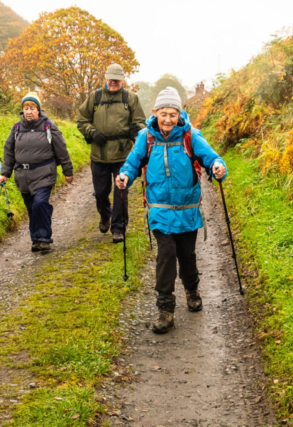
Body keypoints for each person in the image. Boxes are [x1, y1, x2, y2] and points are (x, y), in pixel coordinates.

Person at [116, 87, 227, 334]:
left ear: (180, 115)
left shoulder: (191, 136)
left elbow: (212, 158)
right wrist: (124, 175)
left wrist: (218, 167)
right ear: (155, 113)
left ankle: (191, 288)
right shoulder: (147, 137)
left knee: (187, 255)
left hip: (187, 209)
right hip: (159, 209)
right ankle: (165, 309)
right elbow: (132, 163)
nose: (167, 119)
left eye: (172, 114)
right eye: (163, 113)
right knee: (166, 255)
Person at [77, 63, 147, 243]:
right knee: (100, 193)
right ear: (106, 78)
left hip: (123, 155)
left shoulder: (130, 98)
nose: (113, 82)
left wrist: (136, 130)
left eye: (117, 80)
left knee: (121, 193)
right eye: (111, 79)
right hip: (99, 154)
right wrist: (92, 132)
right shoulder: (95, 97)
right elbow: (82, 120)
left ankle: (118, 228)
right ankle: (104, 215)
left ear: (122, 79)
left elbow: (141, 122)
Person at [0, 92, 74, 253]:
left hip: (44, 173)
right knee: (32, 208)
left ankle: (44, 238)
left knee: (40, 203)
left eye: (32, 108)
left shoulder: (48, 126)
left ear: (38, 110)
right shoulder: (17, 128)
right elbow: (9, 152)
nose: (29, 111)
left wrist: (68, 171)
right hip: (23, 176)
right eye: (26, 108)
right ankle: (36, 240)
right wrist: (5, 173)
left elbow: (61, 149)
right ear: (22, 110)